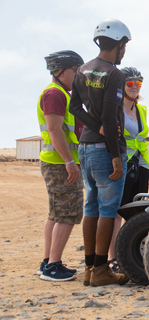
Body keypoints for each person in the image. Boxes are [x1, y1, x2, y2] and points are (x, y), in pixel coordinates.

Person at [69, 18, 131, 287]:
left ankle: (89, 270)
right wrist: (115, 154)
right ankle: (102, 271)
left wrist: (95, 128)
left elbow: (75, 108)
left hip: (85, 148)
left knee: (91, 207)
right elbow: (109, 116)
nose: (125, 50)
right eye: (125, 45)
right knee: (107, 209)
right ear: (118, 44)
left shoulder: (83, 70)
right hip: (105, 152)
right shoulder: (115, 74)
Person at [37, 50, 85, 281]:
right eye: (75, 71)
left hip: (59, 163)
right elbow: (55, 131)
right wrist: (69, 162)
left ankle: (48, 261)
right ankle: (53, 265)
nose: (77, 77)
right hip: (60, 164)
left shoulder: (61, 94)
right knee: (68, 213)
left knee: (56, 214)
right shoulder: (55, 94)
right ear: (59, 72)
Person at [107, 67, 149, 272]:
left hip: (141, 164)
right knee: (117, 211)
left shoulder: (141, 109)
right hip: (122, 163)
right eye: (130, 83)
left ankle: (131, 254)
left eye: (138, 83)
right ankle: (113, 257)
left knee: (135, 210)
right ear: (121, 85)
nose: (135, 87)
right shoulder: (114, 107)